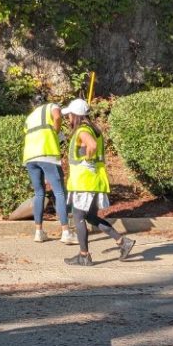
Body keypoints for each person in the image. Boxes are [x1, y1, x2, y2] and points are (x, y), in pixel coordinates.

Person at [62, 98, 135, 266]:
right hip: (94, 181)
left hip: (84, 182)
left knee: (79, 217)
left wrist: (87, 158)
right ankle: (123, 242)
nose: (68, 119)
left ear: (76, 115)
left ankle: (84, 256)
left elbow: (92, 145)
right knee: (91, 217)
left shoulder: (82, 130)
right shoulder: (95, 129)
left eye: (70, 115)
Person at [23, 99, 77, 244]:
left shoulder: (30, 116)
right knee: (59, 192)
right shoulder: (52, 106)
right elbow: (58, 116)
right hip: (47, 153)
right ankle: (66, 232)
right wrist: (56, 131)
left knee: (39, 193)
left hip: (30, 157)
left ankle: (39, 232)